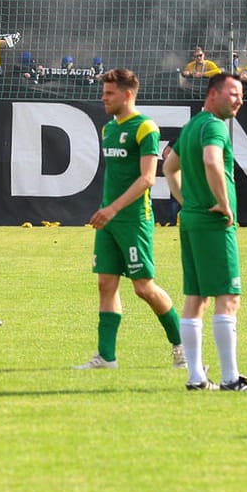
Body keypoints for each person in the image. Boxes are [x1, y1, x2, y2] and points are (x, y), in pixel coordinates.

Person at [76, 68, 184, 370]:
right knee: (106, 284)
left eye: (109, 93)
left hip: (134, 219)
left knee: (143, 287)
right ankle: (106, 357)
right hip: (108, 220)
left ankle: (183, 346)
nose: (103, 98)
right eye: (103, 92)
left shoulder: (145, 127)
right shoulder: (108, 129)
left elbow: (148, 179)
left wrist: (113, 209)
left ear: (127, 94)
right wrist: (107, 211)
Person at [163, 72, 247, 391]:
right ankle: (230, 379)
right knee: (228, 297)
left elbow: (168, 168)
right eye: (233, 93)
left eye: (241, 94)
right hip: (214, 223)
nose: (239, 99)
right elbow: (212, 161)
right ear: (213, 94)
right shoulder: (215, 126)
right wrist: (222, 203)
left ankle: (195, 377)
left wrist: (187, 201)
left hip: (191, 220)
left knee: (196, 298)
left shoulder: (191, 127)